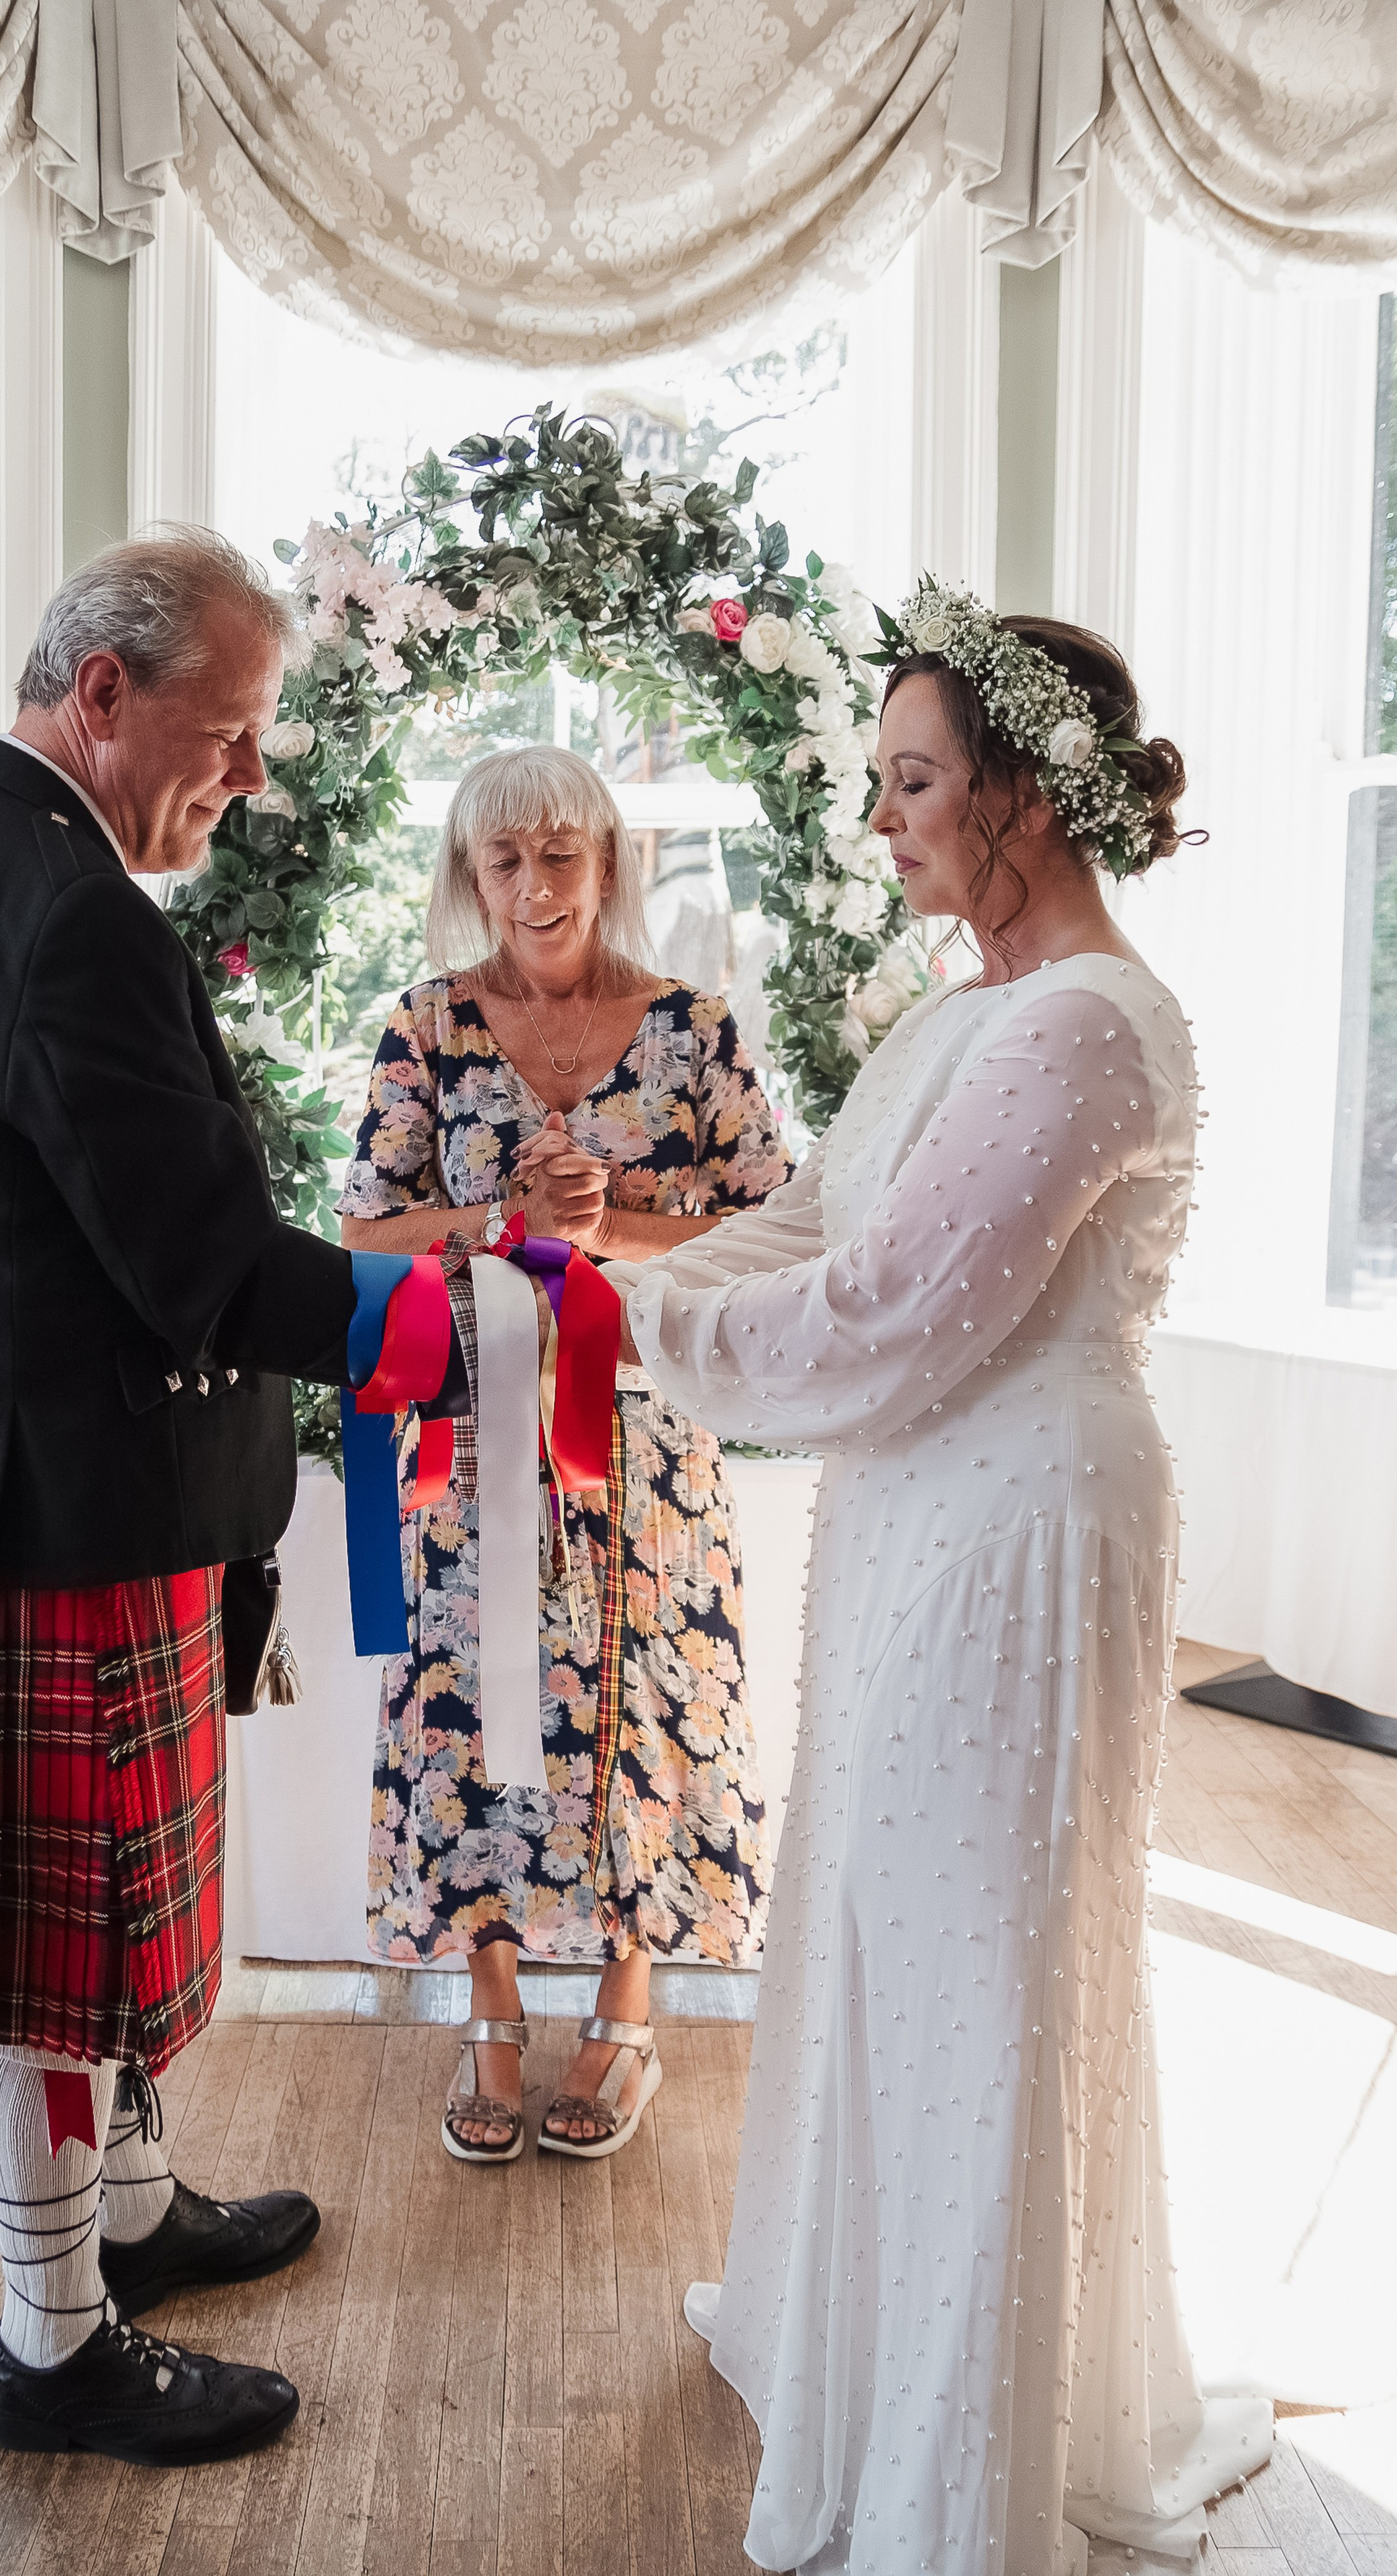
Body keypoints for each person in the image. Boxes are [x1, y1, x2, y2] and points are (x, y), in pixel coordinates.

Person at [607, 606, 1274, 2573]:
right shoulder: (953, 1011)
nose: (880, 819)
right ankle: (869, 2341)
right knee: (881, 1917)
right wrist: (605, 1297)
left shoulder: (1091, 1025)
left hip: (1024, 1529)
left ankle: (965, 2441)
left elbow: (901, 1309)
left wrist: (628, 1336)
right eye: (882, 780)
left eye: (913, 782)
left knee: (985, 1945)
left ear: (1029, 794)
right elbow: (813, 1224)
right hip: (911, 1514)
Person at [0, 529, 455, 2469]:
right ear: (104, 689)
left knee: (102, 1931)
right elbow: (196, 1261)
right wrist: (447, 1310)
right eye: (236, 728)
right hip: (46, 1524)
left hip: (30, 1491)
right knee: (56, 1952)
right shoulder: (61, 908)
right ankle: (54, 2340)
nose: (253, 774)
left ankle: (127, 2222)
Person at [340, 743, 790, 2166]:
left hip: (645, 1445)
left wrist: (609, 1232)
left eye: (556, 855)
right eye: (500, 860)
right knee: (464, 1709)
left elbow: (774, 1236)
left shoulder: (696, 1030)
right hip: (464, 1441)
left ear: (607, 861)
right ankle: (483, 2006)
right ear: (467, 876)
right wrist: (493, 1223)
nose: (531, 887)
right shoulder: (422, 1027)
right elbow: (361, 1234)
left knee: (642, 1708)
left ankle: (625, 2003)